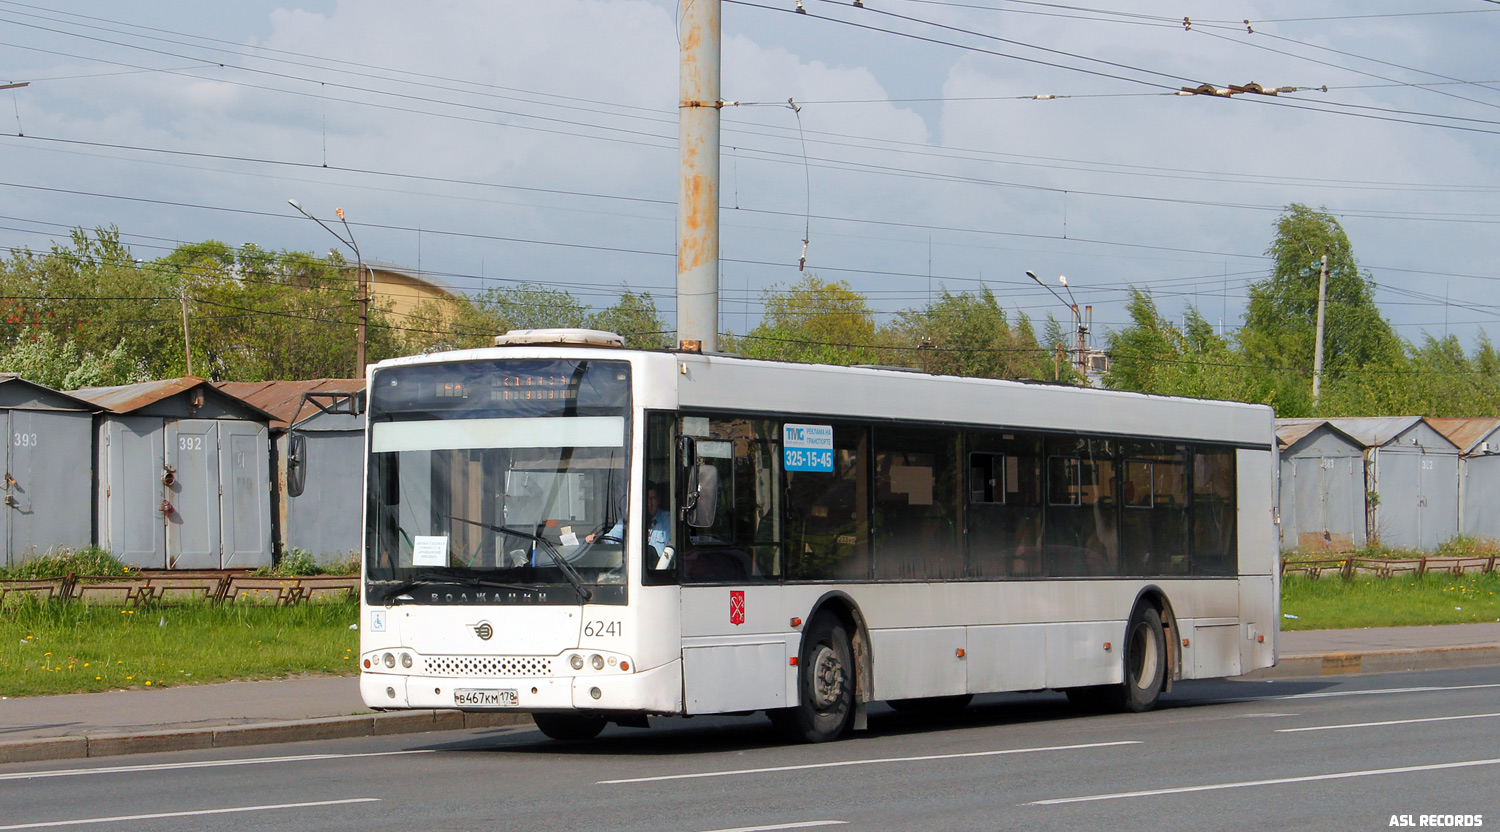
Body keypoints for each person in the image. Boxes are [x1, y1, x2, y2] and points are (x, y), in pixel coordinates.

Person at [586, 484, 671, 548]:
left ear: (658, 500)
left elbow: (669, 548)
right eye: (646, 499)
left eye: (653, 498)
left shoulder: (667, 519)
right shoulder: (628, 520)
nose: (649, 503)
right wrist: (596, 539)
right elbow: (611, 539)